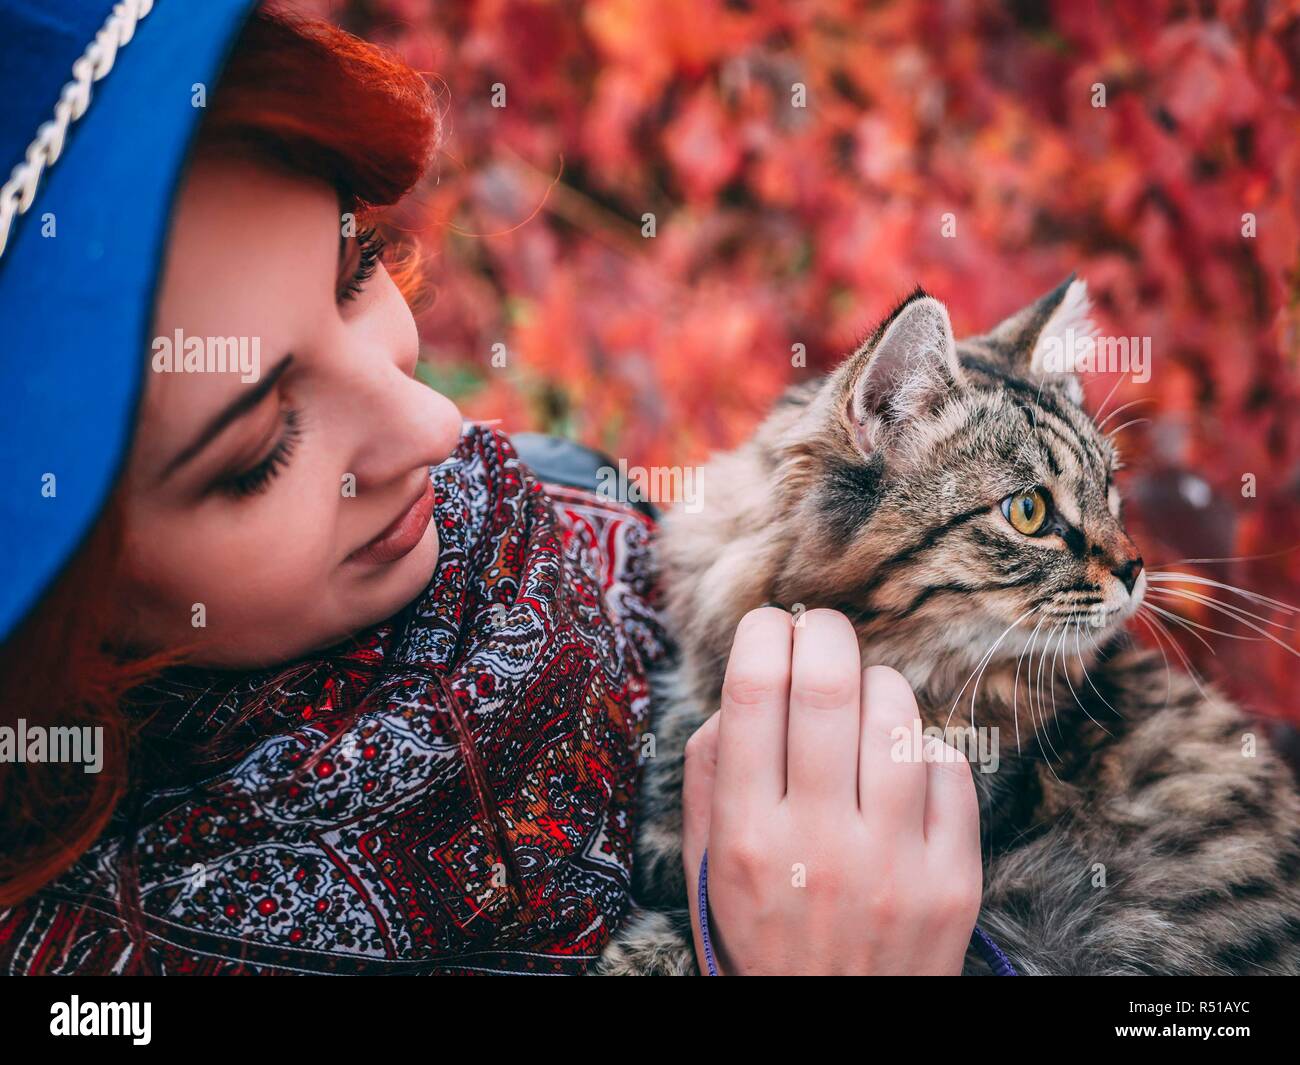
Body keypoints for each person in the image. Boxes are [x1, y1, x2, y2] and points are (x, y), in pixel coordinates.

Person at [0, 1, 981, 975]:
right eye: (259, 450)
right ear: (60, 594)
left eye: (357, 273)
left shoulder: (569, 513)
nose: (435, 429)